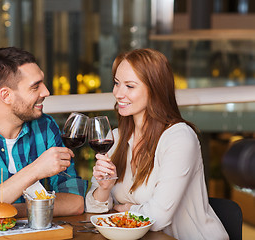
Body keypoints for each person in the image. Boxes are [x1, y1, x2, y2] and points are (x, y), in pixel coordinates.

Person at [85, 48, 229, 240]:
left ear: (155, 89)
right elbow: (92, 208)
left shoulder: (179, 138)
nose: (118, 93)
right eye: (116, 83)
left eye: (130, 86)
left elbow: (157, 218)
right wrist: (104, 188)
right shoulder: (116, 138)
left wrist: (124, 209)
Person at [0, 47, 87, 231]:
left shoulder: (46, 127)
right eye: (35, 86)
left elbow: (75, 203)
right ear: (6, 95)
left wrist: (1, 212)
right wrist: (35, 170)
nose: (46, 92)